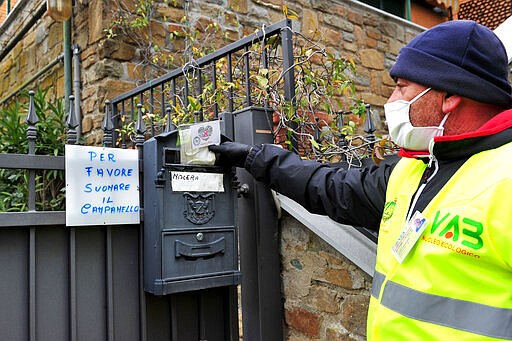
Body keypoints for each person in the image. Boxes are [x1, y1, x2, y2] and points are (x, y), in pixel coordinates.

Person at [210, 20, 512, 340]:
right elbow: (333, 188)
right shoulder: (414, 168)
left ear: (449, 94)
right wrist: (252, 157)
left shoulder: (504, 178)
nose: (391, 100)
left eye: (402, 86)